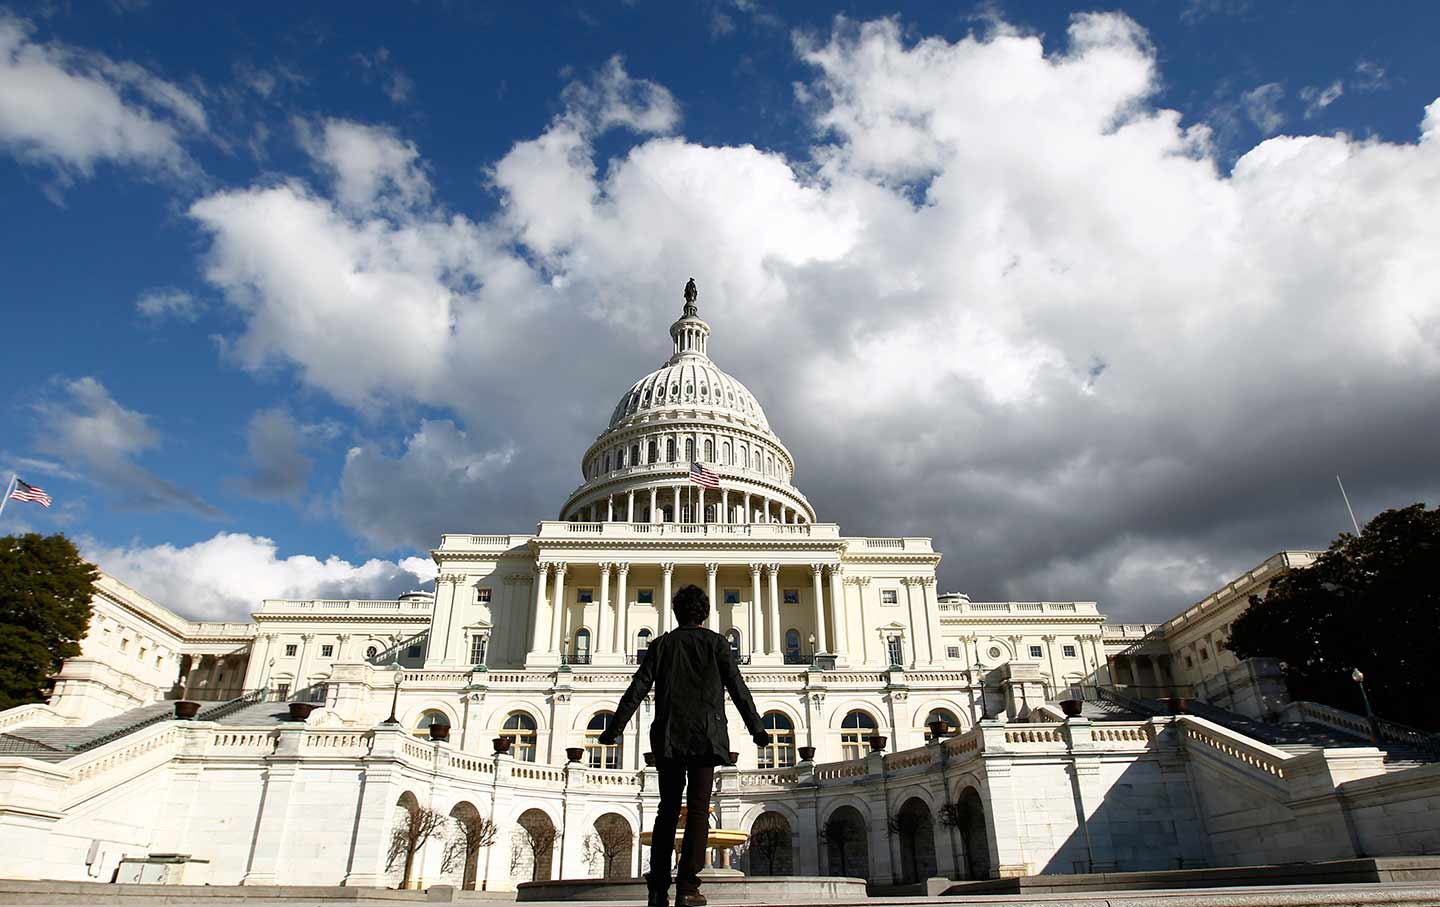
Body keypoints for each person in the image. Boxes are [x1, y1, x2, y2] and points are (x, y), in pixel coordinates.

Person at [599, 583, 767, 907]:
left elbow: (637, 688)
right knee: (700, 809)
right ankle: (689, 886)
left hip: (670, 737)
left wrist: (613, 729)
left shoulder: (662, 645)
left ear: (676, 613)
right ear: (704, 614)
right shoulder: (717, 644)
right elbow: (739, 689)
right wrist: (757, 729)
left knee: (667, 810)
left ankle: (658, 887)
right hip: (706, 737)